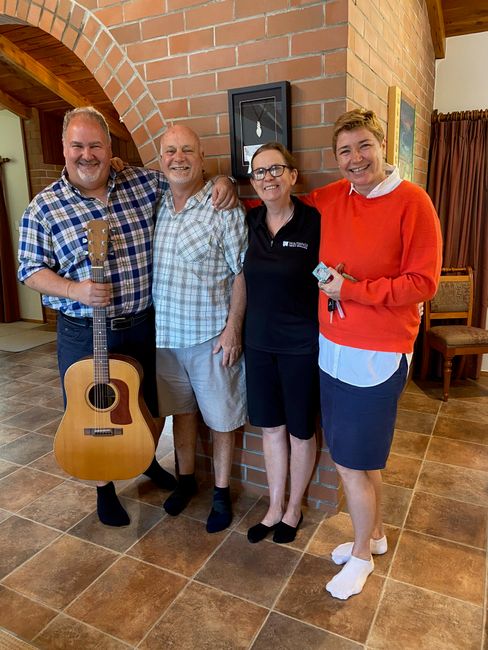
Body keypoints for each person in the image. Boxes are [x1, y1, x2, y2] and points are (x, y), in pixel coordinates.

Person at [17, 107, 235, 527]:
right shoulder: (44, 207)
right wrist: (73, 289)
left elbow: (185, 181)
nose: (87, 154)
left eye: (95, 145)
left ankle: (144, 456)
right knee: (90, 410)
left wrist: (222, 180)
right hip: (84, 332)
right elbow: (29, 269)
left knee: (147, 405)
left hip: (142, 324)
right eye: (77, 145)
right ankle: (105, 488)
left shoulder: (141, 183)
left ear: (109, 147)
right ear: (64, 149)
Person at [307, 108, 442, 599]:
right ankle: (376, 537)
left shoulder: (413, 202)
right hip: (332, 348)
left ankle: (361, 557)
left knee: (349, 462)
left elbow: (423, 282)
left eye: (363, 146)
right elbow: (284, 201)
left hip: (378, 354)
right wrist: (229, 193)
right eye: (345, 151)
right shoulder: (334, 197)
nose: (355, 159)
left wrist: (355, 289)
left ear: (382, 147)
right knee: (361, 460)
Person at [153, 125, 248, 533]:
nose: (179, 158)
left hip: (211, 336)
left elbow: (243, 272)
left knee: (223, 419)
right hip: (165, 339)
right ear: (160, 160)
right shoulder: (154, 202)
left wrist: (233, 330)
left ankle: (222, 492)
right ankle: (186, 479)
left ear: (202, 157)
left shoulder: (221, 206)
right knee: (181, 413)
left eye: (187, 150)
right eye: (171, 151)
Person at [242, 142, 320, 544]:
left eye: (276, 169)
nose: (268, 178)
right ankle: (274, 507)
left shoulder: (314, 222)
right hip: (258, 345)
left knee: (301, 432)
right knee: (271, 428)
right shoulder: (250, 222)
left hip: (301, 346)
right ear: (253, 181)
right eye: (259, 172)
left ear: (293, 175)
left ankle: (295, 509)